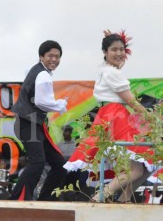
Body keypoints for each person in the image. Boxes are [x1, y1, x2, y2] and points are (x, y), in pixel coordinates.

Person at [65, 31, 153, 203]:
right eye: (114, 50)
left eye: (122, 49)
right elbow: (131, 101)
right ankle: (100, 197)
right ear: (105, 52)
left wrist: (112, 38)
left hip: (110, 116)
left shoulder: (106, 70)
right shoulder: (113, 73)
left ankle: (122, 199)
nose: (119, 53)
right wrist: (155, 121)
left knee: (140, 167)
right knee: (138, 169)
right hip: (117, 117)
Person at [9, 40, 68, 201]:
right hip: (28, 122)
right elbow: (42, 102)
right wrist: (60, 105)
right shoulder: (43, 74)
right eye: (50, 56)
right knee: (37, 162)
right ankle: (17, 200)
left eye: (57, 56)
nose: (54, 59)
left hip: (33, 123)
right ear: (41, 56)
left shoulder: (38, 70)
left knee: (59, 164)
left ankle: (46, 199)